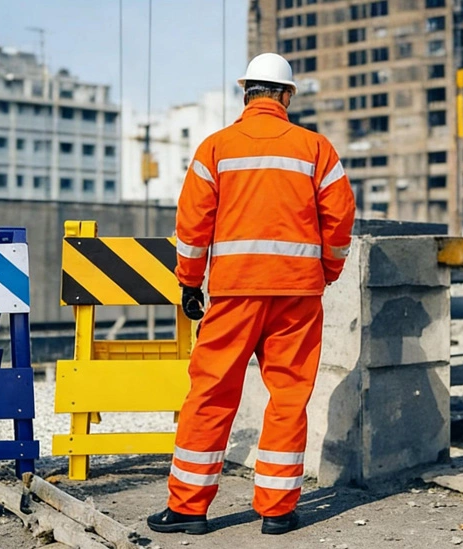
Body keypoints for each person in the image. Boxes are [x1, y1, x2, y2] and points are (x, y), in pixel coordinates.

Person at [147, 52, 356, 536]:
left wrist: (189, 281)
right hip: (298, 296)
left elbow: (193, 225)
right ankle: (278, 510)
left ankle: (188, 509)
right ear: (286, 95)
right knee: (288, 396)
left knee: (211, 393)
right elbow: (340, 217)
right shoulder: (316, 148)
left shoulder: (216, 148)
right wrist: (327, 270)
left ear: (247, 93)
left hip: (234, 292)